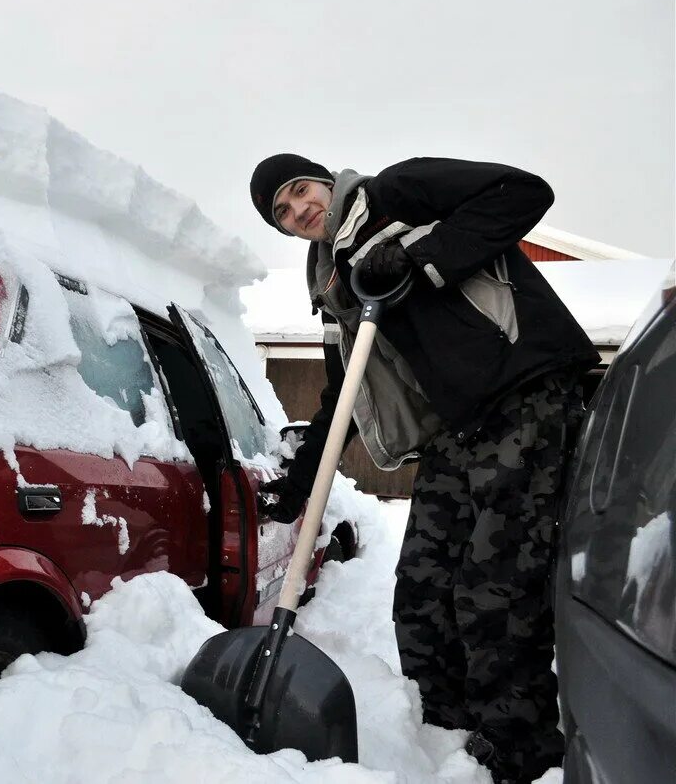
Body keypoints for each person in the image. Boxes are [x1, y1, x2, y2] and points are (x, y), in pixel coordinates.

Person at [249, 154, 597, 784]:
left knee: (496, 587)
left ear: (324, 181)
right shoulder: (333, 289)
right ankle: (442, 739)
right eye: (284, 214)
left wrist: (420, 257)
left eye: (301, 191)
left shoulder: (397, 192)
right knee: (422, 593)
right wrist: (299, 484)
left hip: (524, 394)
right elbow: (344, 394)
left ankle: (520, 754)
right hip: (453, 429)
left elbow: (523, 192)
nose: (300, 211)